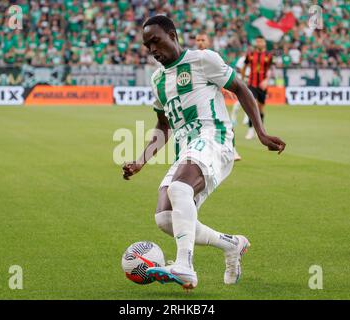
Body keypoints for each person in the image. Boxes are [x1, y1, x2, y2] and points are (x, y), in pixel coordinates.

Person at [122, 16, 286, 290]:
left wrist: (260, 133)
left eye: (156, 41)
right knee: (165, 218)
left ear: (173, 35)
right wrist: (140, 161)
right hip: (189, 148)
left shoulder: (202, 59)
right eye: (147, 45)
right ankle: (232, 245)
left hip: (215, 139)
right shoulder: (158, 79)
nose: (152, 49)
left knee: (178, 188)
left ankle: (185, 265)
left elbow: (241, 88)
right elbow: (163, 125)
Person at [195, 32, 242, 161]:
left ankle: (232, 150)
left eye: (202, 40)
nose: (200, 42)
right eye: (198, 40)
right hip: (198, 99)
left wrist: (226, 88)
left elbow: (222, 76)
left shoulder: (214, 58)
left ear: (208, 42)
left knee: (226, 124)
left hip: (214, 97)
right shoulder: (192, 59)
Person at [242, 36, 273, 140]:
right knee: (252, 105)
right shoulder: (250, 55)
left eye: (261, 41)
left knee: (260, 109)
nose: (259, 43)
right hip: (252, 84)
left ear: (264, 43)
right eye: (257, 41)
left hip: (263, 86)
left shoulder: (269, 55)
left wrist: (267, 80)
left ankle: (260, 130)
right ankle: (250, 130)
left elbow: (270, 69)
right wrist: (243, 79)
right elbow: (244, 67)